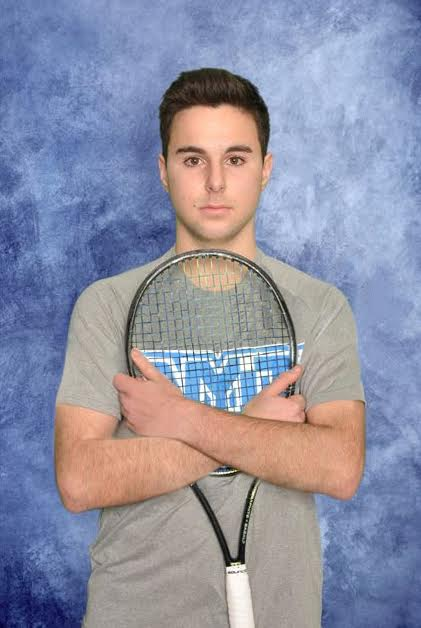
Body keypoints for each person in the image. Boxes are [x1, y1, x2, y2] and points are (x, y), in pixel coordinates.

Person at [55, 67, 365, 628]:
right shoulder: (106, 305)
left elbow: (340, 466)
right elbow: (80, 479)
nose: (216, 182)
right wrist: (250, 425)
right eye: (193, 159)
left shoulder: (318, 307)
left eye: (237, 159)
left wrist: (182, 420)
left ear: (265, 171)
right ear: (164, 172)